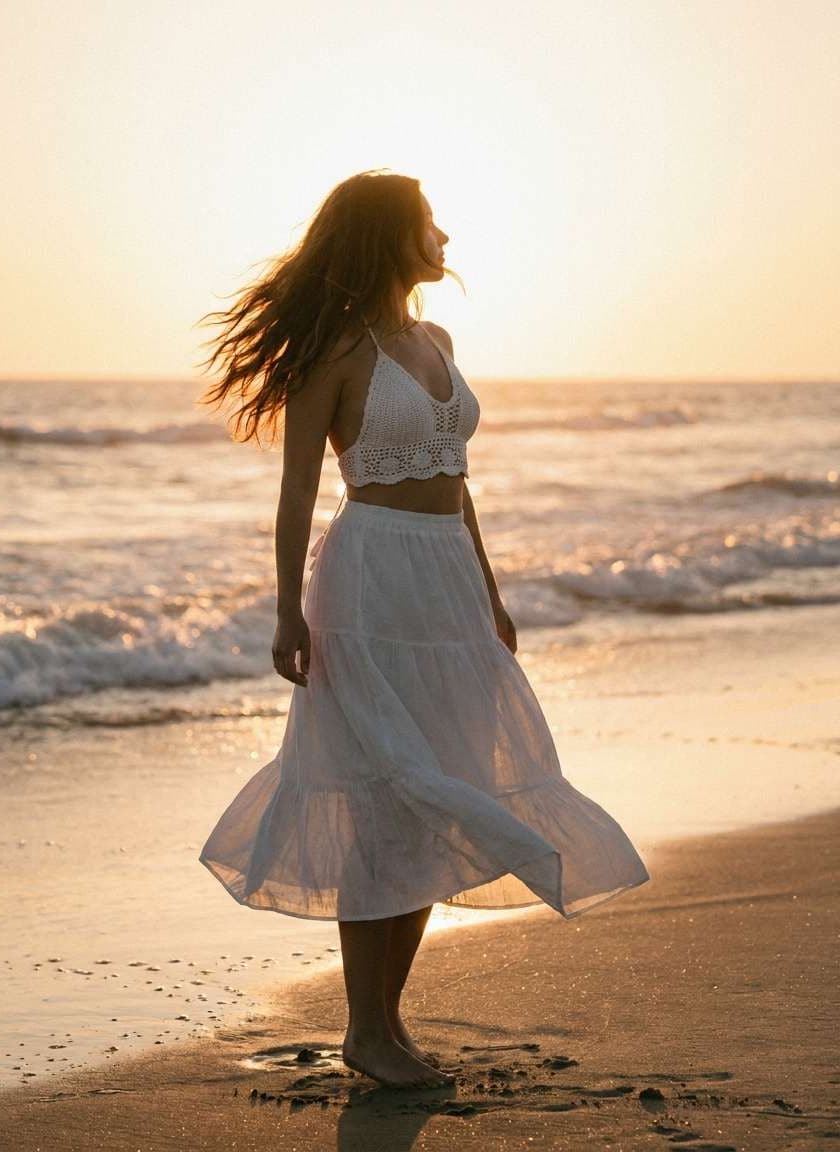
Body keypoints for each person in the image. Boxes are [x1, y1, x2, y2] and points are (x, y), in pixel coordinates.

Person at [195, 169, 649, 1089]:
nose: (444, 236)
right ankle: (366, 1028)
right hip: (370, 582)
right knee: (384, 800)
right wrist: (287, 608)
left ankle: (384, 1024)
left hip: (444, 582)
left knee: (438, 798)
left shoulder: (437, 338)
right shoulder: (335, 349)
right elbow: (295, 494)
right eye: (428, 223)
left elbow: (458, 480)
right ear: (387, 237)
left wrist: (490, 592)